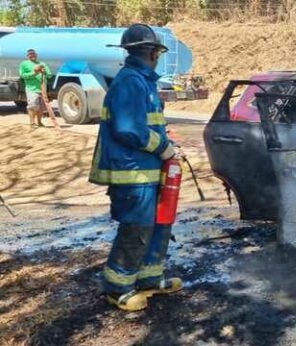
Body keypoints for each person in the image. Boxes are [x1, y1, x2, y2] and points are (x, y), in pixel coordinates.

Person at [89, 24, 183, 312]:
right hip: (133, 172)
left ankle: (149, 279)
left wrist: (167, 142)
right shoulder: (131, 81)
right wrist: (162, 147)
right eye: (156, 51)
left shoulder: (142, 81)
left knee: (158, 225)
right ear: (153, 52)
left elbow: (146, 124)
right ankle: (117, 288)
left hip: (149, 170)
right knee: (137, 229)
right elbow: (128, 129)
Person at [18, 49, 52, 128]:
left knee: (41, 108)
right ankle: (32, 123)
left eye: (33, 54)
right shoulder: (24, 64)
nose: (32, 55)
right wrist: (35, 73)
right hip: (31, 89)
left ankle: (39, 122)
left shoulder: (42, 64)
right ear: (27, 56)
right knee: (33, 105)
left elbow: (49, 75)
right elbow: (22, 75)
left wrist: (44, 72)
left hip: (42, 89)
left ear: (36, 55)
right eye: (30, 54)